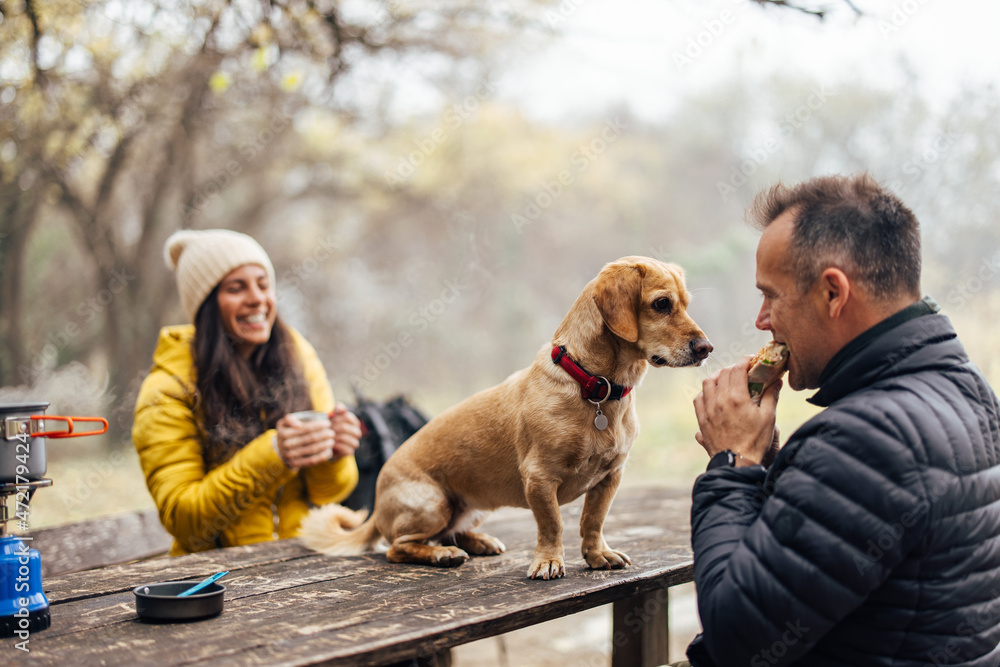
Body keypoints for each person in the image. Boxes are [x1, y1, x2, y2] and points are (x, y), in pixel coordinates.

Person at [677, 174, 1000, 666]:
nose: (762, 320)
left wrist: (733, 462)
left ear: (833, 293)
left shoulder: (865, 436)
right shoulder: (967, 389)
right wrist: (769, 461)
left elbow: (738, 641)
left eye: (771, 295)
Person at [133, 229, 361, 555]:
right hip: (218, 580)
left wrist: (337, 453)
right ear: (207, 306)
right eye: (236, 288)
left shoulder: (297, 355)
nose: (257, 298)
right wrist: (273, 455)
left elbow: (329, 492)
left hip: (305, 562)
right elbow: (185, 521)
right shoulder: (166, 391)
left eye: (263, 284)